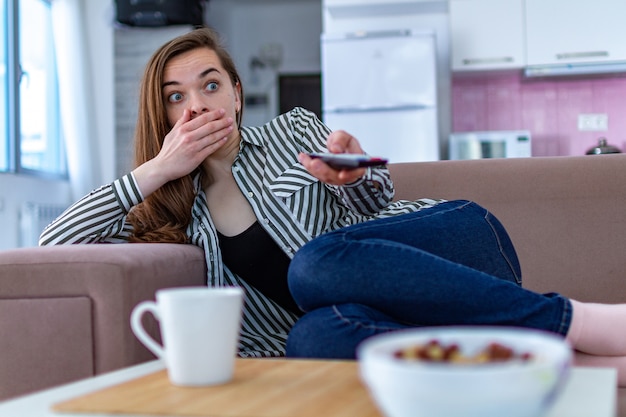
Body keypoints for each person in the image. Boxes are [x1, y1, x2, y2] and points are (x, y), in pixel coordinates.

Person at [40, 27, 626, 385]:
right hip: (377, 326)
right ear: (162, 116)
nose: (197, 105)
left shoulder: (294, 131)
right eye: (176, 97)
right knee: (311, 344)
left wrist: (352, 175)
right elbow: (52, 247)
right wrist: (160, 169)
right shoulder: (177, 218)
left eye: (211, 84)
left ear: (238, 95)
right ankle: (560, 364)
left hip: (461, 246)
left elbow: (375, 205)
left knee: (314, 265)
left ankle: (577, 319)